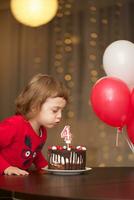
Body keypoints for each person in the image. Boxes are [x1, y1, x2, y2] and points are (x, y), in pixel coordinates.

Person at [0, 73, 69, 175]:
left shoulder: (42, 131)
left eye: (61, 110)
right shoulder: (15, 125)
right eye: (55, 110)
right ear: (34, 106)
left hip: (16, 181)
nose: (60, 116)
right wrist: (6, 168)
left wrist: (46, 166)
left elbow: (34, 154)